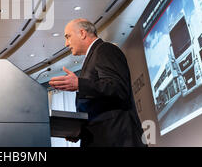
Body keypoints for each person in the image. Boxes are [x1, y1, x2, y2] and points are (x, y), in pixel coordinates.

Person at [49, 19, 146, 147]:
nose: (66, 44)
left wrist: (80, 84)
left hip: (117, 139)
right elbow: (98, 106)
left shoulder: (105, 49)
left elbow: (118, 88)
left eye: (68, 37)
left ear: (82, 33)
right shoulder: (91, 57)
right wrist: (79, 131)